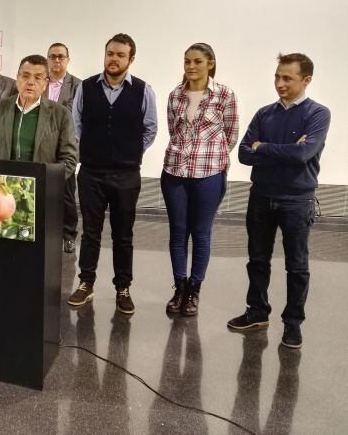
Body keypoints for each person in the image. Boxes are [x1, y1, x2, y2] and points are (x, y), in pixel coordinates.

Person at [228, 53, 330, 350]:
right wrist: (278, 149)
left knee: (297, 265)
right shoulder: (264, 114)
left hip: (297, 200)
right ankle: (257, 312)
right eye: (277, 77)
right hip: (261, 196)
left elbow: (303, 155)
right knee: (257, 260)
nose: (280, 83)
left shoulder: (317, 114)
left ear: (306, 80)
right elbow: (245, 154)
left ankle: (293, 324)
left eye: (288, 78)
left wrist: (264, 147)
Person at [68, 33, 157, 315]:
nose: (113, 59)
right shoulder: (86, 87)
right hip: (91, 172)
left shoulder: (143, 90)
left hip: (126, 175)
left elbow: (150, 129)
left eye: (120, 55)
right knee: (91, 233)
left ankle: (123, 287)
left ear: (131, 59)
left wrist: (129, 153)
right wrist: (92, 149)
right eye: (110, 53)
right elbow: (76, 123)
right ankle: (86, 283)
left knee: (123, 235)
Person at [161, 43, 238, 316]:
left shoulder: (224, 95)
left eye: (197, 61)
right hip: (175, 173)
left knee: (201, 233)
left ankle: (194, 290)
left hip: (209, 173)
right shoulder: (175, 95)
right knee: (178, 233)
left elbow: (231, 135)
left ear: (210, 64)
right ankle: (179, 287)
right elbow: (174, 130)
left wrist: (210, 157)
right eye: (186, 61)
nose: (191, 66)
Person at [0, 55, 78, 179]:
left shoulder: (61, 114)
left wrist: (47, 180)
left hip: (43, 187)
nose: (31, 82)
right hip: (4, 188)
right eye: (25, 76)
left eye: (38, 77)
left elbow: (69, 159)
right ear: (17, 78)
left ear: (45, 83)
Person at [44, 42, 82, 254]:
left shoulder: (78, 86)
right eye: (52, 56)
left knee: (66, 195)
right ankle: (44, 232)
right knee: (40, 193)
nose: (56, 61)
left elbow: (79, 118)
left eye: (60, 57)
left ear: (67, 60)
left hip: (65, 148)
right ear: (47, 59)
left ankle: (68, 235)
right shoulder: (39, 82)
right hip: (41, 148)